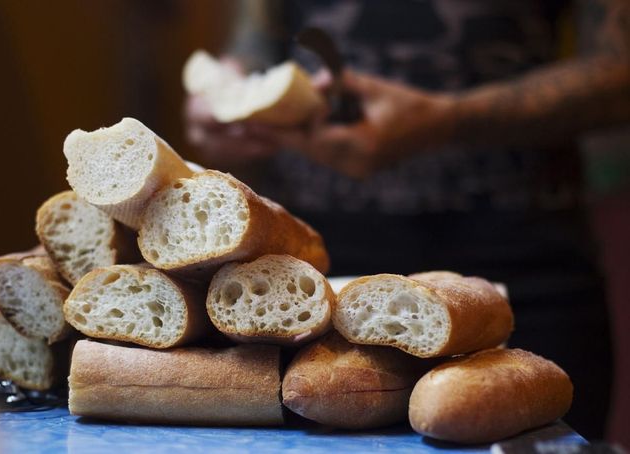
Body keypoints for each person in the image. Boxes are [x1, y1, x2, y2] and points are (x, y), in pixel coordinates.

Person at [185, 0, 630, 439]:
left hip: (524, 254)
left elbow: (620, 71)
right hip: (310, 271)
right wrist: (223, 101)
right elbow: (255, 47)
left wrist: (447, 120)